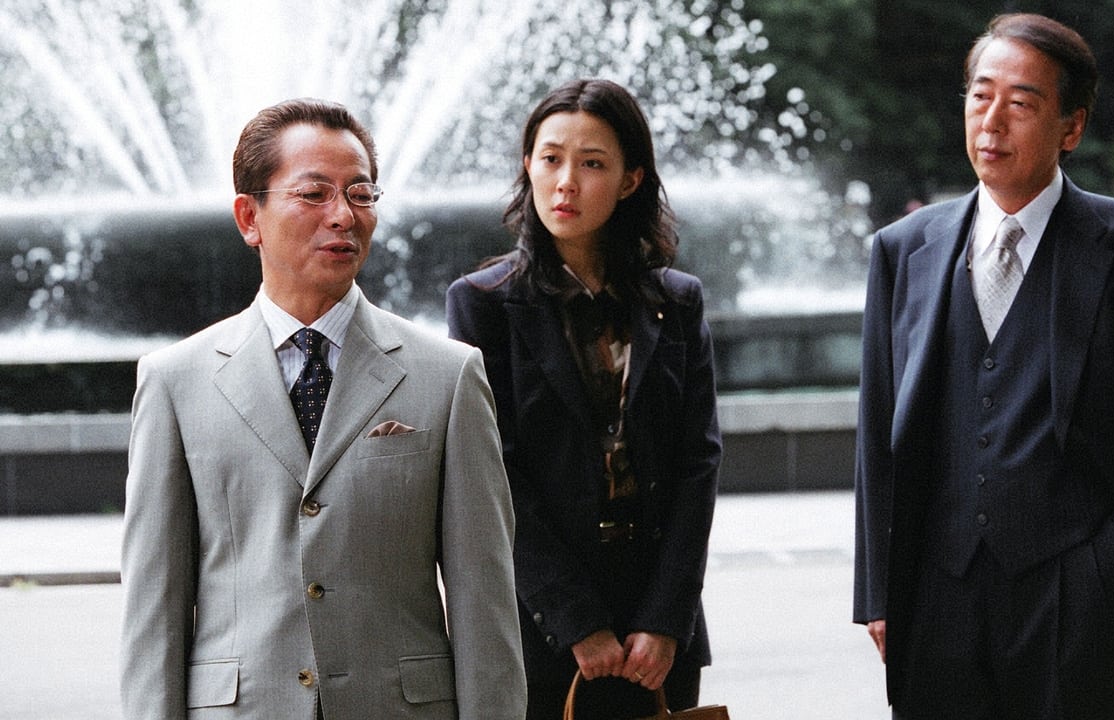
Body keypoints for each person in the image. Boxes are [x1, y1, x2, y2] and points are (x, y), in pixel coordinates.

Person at [853, 14, 1114, 720]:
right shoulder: (903, 249)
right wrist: (879, 593)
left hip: (1076, 599)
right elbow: (878, 436)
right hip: (935, 598)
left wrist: (1108, 571)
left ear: (1071, 127)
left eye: (1020, 103)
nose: (991, 121)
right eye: (979, 96)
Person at [120, 98, 525, 719]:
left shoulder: (448, 375)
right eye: (314, 194)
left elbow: (484, 598)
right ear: (249, 217)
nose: (343, 215)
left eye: (360, 194)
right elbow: (154, 608)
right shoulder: (175, 382)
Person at [445, 79, 721, 720]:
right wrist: (575, 621)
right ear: (528, 166)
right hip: (541, 630)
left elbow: (698, 463)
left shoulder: (675, 301)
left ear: (630, 181)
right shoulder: (484, 304)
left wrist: (666, 618)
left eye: (592, 163)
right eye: (551, 159)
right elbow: (494, 472)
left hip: (658, 630)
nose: (565, 182)